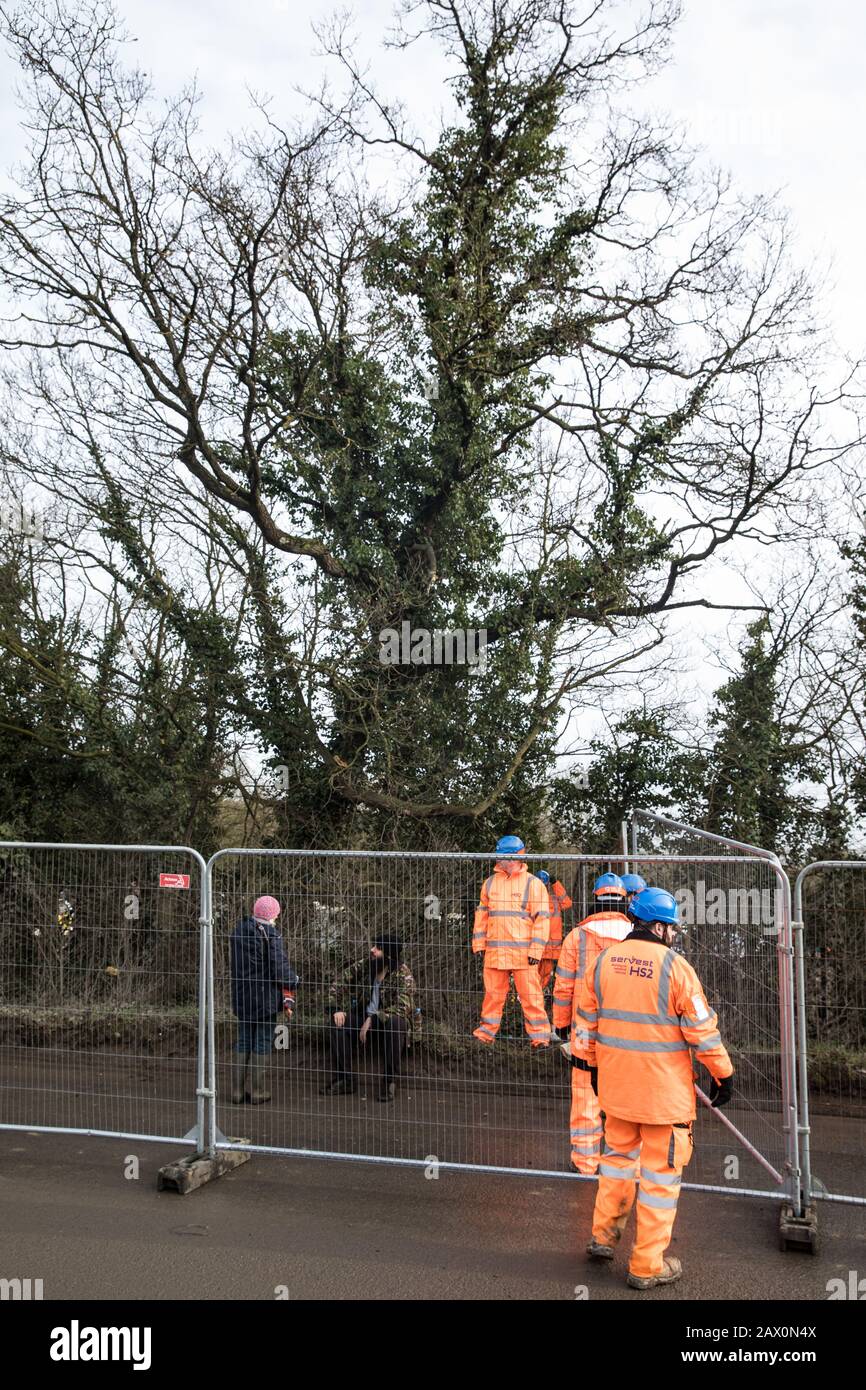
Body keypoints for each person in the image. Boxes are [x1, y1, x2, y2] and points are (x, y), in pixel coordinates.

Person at [574, 886, 734, 1289]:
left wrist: (592, 1067)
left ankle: (602, 1238)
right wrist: (723, 1074)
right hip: (664, 1098)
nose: (674, 935)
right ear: (660, 927)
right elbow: (702, 1031)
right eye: (673, 928)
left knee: (616, 1164)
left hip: (617, 1090)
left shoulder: (603, 962)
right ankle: (646, 1266)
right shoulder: (675, 968)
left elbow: (586, 1024)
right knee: (661, 1181)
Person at [552, 872, 631, 1172]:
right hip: (627, 1033)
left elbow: (563, 988)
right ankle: (622, 1166)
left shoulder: (577, 936)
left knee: (586, 1099)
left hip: (585, 1033)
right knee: (625, 1101)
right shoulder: (637, 936)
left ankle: (585, 1164)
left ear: (595, 900)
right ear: (623, 901)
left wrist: (561, 1027)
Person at [471, 834, 551, 1047]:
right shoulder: (490, 883)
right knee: (492, 997)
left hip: (523, 954)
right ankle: (485, 1035)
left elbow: (542, 919)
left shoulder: (533, 884)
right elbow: (482, 915)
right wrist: (479, 944)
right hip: (495, 953)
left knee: (531, 998)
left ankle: (540, 1038)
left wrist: (536, 950)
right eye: (500, 856)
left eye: (506, 856)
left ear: (518, 857)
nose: (502, 861)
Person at [321, 936, 416, 1102]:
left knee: (395, 1022)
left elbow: (404, 1006)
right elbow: (339, 983)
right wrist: (336, 1009)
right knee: (337, 1023)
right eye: (374, 946)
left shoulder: (402, 973)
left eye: (378, 947)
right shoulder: (366, 965)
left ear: (389, 955)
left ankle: (389, 1082)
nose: (372, 949)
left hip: (386, 1023)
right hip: (364, 1020)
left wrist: (374, 1018)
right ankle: (346, 1080)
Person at [229, 895, 298, 1104]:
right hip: (264, 999)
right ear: (272, 915)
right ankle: (258, 1092)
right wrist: (293, 980)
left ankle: (237, 1092)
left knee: (243, 1041)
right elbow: (279, 967)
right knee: (262, 1041)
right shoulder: (271, 935)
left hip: (242, 996)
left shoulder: (239, 931)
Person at [535, 869, 573, 992]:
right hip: (537, 945)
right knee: (533, 976)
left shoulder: (554, 899)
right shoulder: (531, 898)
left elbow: (567, 903)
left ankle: (537, 999)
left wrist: (556, 883)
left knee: (544, 975)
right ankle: (532, 1000)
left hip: (549, 946)